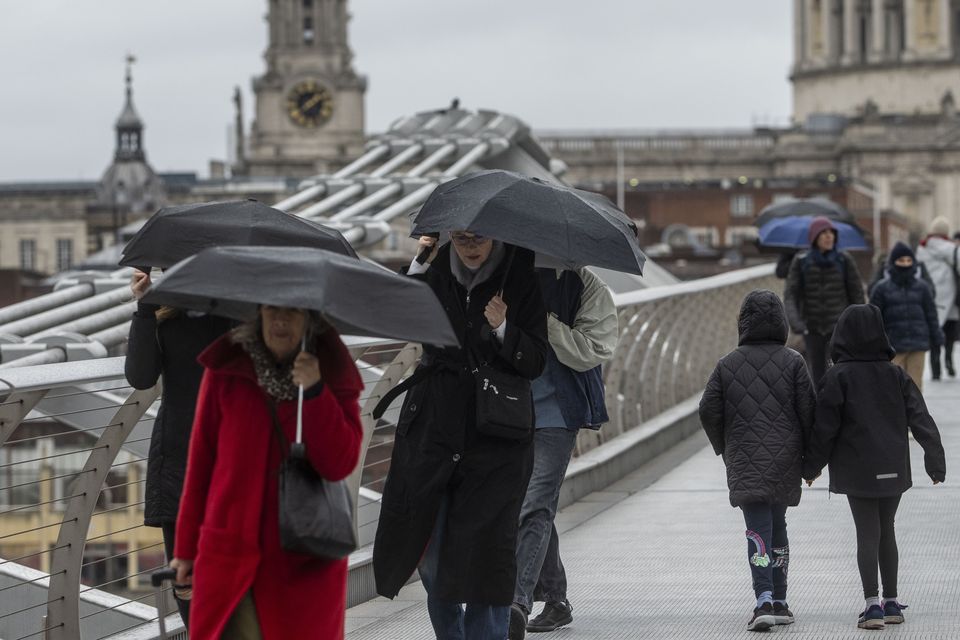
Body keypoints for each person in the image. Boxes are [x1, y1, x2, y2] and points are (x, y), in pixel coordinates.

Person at [373, 232, 548, 640]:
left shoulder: (519, 276)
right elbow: (399, 319)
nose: (470, 246)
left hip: (497, 437)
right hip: (434, 428)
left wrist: (504, 327)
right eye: (461, 237)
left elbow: (536, 359)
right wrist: (418, 265)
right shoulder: (432, 272)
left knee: (489, 554)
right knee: (431, 557)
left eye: (480, 238)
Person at [170, 306, 364, 639]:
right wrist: (185, 550)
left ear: (311, 319)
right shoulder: (227, 367)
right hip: (230, 553)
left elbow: (340, 462)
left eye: (291, 312)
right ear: (258, 312)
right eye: (271, 310)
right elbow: (201, 463)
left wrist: (316, 392)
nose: (279, 321)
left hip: (302, 560)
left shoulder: (331, 369)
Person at [802, 304, 945, 630]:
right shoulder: (895, 374)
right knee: (887, 530)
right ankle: (891, 602)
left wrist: (811, 467)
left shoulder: (838, 377)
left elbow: (825, 428)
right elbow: (920, 418)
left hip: (857, 468)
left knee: (867, 533)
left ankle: (871, 606)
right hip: (893, 466)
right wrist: (935, 462)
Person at [509, 267, 619, 639]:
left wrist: (546, 323)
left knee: (535, 503)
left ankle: (517, 602)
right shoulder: (508, 276)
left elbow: (593, 350)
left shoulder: (589, 288)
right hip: (509, 410)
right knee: (529, 503)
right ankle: (556, 598)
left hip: (559, 410)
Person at [698, 290, 816, 632]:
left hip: (745, 457)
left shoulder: (727, 363)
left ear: (743, 322)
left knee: (757, 532)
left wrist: (725, 446)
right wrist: (809, 461)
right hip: (785, 459)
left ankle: (763, 598)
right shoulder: (794, 361)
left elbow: (708, 410)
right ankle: (780, 600)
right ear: (781, 321)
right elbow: (808, 412)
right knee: (778, 526)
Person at [124, 268, 232, 626]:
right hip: (180, 455)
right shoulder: (165, 315)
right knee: (185, 578)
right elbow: (140, 377)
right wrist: (144, 307)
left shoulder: (245, 315)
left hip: (234, 457)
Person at [784, 216, 865, 385]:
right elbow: (790, 294)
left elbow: (857, 294)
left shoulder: (844, 260)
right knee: (816, 375)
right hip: (812, 329)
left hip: (838, 328)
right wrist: (797, 323)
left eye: (831, 233)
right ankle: (820, 408)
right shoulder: (801, 262)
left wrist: (856, 324)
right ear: (814, 237)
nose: (829, 236)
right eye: (824, 233)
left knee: (840, 372)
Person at [868, 242, 942, 392]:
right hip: (893, 347)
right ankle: (896, 415)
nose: (905, 264)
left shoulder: (922, 287)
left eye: (909, 260)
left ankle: (914, 416)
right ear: (893, 262)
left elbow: (931, 314)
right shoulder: (881, 289)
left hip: (918, 344)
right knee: (893, 388)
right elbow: (873, 319)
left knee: (915, 389)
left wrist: (937, 337)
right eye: (901, 260)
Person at [916, 216, 960, 380]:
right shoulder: (950, 248)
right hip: (950, 297)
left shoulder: (922, 248)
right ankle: (948, 360)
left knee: (935, 332)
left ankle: (936, 368)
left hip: (930, 296)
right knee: (950, 331)